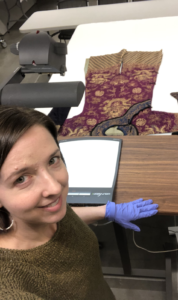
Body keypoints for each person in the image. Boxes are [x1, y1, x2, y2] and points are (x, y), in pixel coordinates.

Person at [0, 106, 159, 300]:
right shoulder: (9, 289)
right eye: (22, 178)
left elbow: (66, 218)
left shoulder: (40, 213)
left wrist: (106, 211)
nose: (55, 188)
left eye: (52, 160)